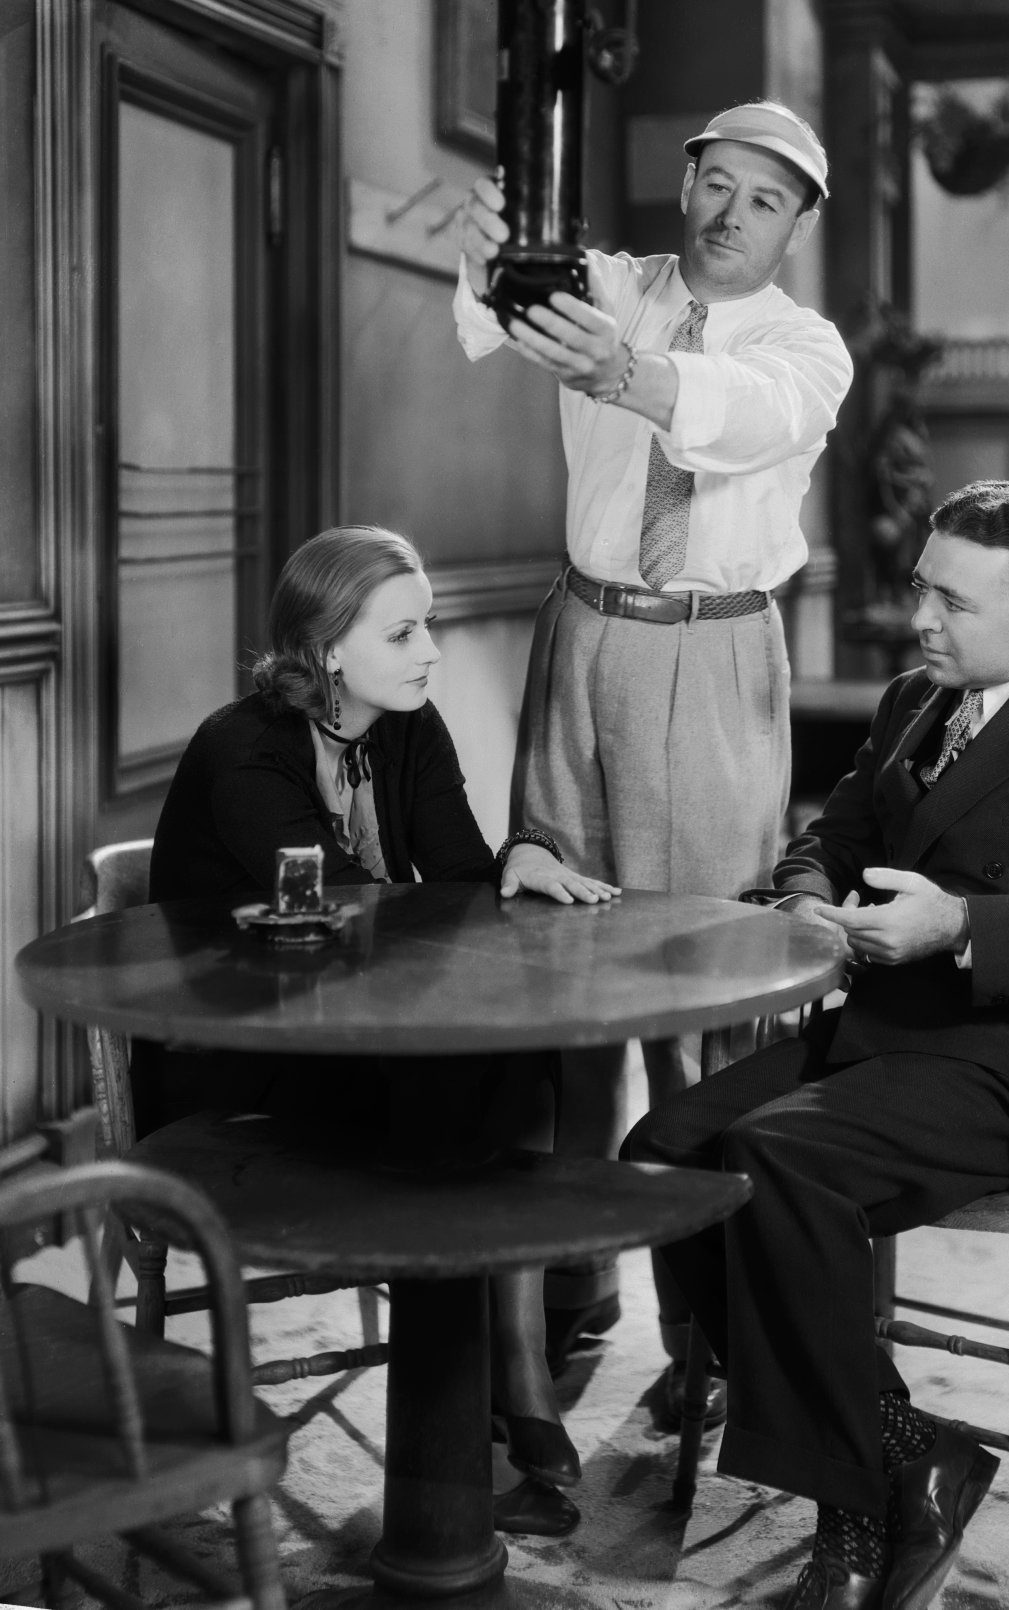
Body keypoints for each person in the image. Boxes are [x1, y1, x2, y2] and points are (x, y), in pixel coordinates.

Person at [624, 480, 1009, 1610]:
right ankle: (903, 1448)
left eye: (951, 601)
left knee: (777, 1161)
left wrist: (963, 925)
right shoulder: (914, 700)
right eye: (920, 588)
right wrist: (804, 900)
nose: (919, 618)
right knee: (663, 1153)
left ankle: (849, 1513)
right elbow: (828, 837)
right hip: (874, 1032)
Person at [454, 99, 854, 1398]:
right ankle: (571, 1281)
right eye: (716, 183)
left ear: (797, 224)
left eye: (765, 199)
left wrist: (628, 375)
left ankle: (709, 1330)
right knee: (561, 972)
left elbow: (739, 413)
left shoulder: (806, 347)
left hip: (712, 651)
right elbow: (495, 308)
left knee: (704, 992)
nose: (732, 214)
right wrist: (491, 242)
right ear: (683, 185)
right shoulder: (612, 284)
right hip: (581, 635)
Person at [147, 524, 618, 1541]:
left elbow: (454, 881)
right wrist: (459, 896)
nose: (431, 652)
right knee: (460, 1092)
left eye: (427, 626)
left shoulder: (406, 724)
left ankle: (501, 1374)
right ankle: (496, 1400)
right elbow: (354, 920)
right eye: (402, 633)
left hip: (356, 1028)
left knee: (509, 1057)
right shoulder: (243, 752)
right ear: (326, 650)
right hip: (236, 1053)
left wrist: (519, 856)